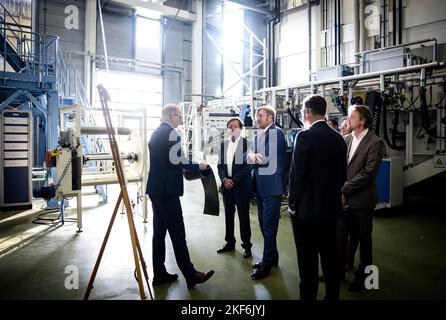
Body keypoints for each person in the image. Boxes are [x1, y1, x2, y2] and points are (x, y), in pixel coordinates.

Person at [146, 103, 215, 289]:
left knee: (159, 234)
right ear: (170, 116)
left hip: (156, 189)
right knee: (177, 233)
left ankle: (159, 273)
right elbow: (179, 161)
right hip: (167, 192)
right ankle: (191, 274)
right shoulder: (171, 134)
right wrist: (198, 166)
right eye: (178, 115)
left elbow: (169, 162)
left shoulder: (155, 133)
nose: (180, 119)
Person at [288, 95, 347, 301]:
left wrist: (292, 205)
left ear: (307, 112)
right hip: (331, 210)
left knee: (307, 262)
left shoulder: (304, 137)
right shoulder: (338, 137)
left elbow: (298, 176)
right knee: (330, 257)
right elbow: (342, 175)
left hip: (307, 212)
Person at [341, 105, 384, 292]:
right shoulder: (346, 139)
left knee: (364, 240)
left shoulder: (375, 142)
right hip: (345, 200)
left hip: (362, 200)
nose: (348, 119)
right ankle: (338, 271)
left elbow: (368, 173)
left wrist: (343, 189)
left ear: (362, 120)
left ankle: (365, 280)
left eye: (352, 117)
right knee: (341, 238)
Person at [249, 106, 286, 280]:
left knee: (270, 226)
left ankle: (266, 264)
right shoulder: (257, 136)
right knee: (265, 225)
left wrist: (252, 156)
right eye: (257, 116)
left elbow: (266, 158)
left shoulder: (277, 133)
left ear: (270, 117)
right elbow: (250, 156)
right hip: (260, 185)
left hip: (272, 186)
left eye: (260, 116)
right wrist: (252, 156)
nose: (257, 118)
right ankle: (273, 257)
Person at [217, 117, 253, 258]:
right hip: (227, 187)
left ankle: (246, 246)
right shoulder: (224, 145)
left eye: (235, 126)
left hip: (241, 187)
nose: (232, 129)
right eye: (229, 127)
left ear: (241, 128)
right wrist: (224, 179)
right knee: (228, 215)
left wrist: (233, 181)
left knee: (243, 216)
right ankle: (230, 242)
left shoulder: (248, 145)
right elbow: (220, 166)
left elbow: (248, 167)